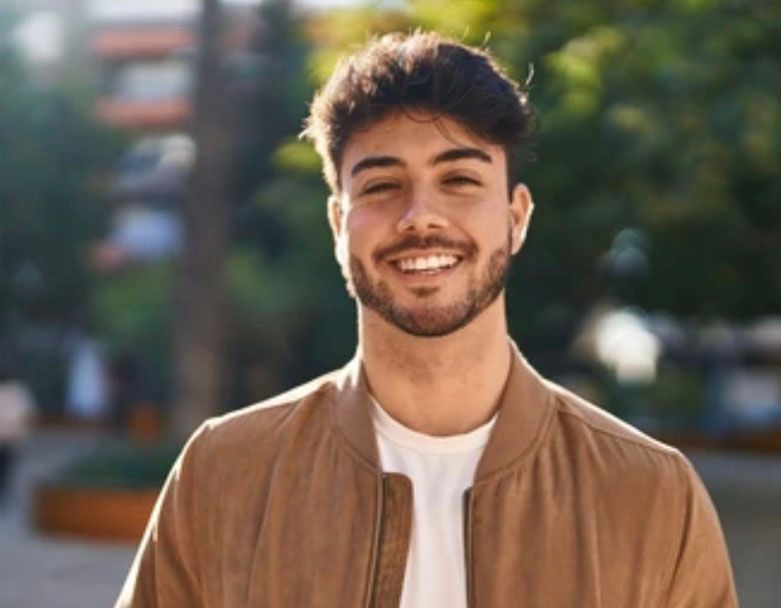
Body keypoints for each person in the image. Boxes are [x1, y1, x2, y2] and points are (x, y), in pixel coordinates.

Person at [116, 32, 737, 607]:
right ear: (339, 225)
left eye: (460, 179)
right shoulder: (222, 474)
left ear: (516, 217)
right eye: (382, 185)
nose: (420, 216)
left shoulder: (652, 496)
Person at [0, 364, 36, 508]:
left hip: (10, 438)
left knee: (5, 468)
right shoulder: (18, 392)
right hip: (11, 437)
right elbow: (26, 415)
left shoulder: (16, 391)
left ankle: (3, 495)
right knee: (5, 469)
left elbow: (24, 416)